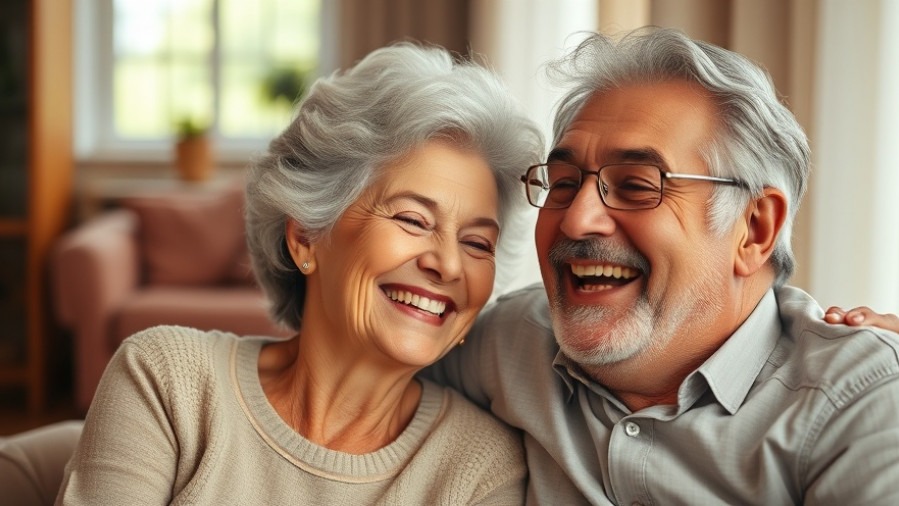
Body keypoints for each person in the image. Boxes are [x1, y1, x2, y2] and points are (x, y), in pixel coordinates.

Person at [426, 27, 899, 504]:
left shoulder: (861, 400)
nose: (576, 218)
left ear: (754, 228)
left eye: (635, 184)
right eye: (564, 183)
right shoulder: (506, 343)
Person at [56, 42, 544, 504]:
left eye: (478, 243)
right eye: (413, 220)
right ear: (307, 237)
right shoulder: (167, 381)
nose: (449, 264)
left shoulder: (482, 468)